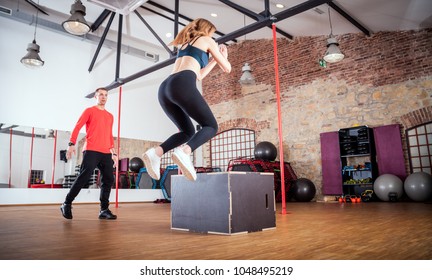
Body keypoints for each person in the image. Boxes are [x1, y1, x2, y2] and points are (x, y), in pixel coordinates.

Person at [143, 18, 231, 181]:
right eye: (212, 32)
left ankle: (156, 153)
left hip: (166, 88)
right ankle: (185, 152)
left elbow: (199, 75)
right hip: (182, 84)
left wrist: (212, 61)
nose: (213, 36)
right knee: (211, 126)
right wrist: (224, 55)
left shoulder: (185, 45)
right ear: (208, 30)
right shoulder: (207, 40)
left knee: (187, 132)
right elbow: (227, 68)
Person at [60, 87, 118, 220]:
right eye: (101, 95)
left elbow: (109, 135)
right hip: (91, 149)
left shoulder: (110, 116)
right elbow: (77, 126)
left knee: (108, 179)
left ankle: (104, 209)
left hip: (106, 153)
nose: (103, 97)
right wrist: (71, 143)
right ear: (95, 97)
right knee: (83, 177)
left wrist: (113, 153)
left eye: (106, 95)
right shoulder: (89, 111)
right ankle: (66, 203)